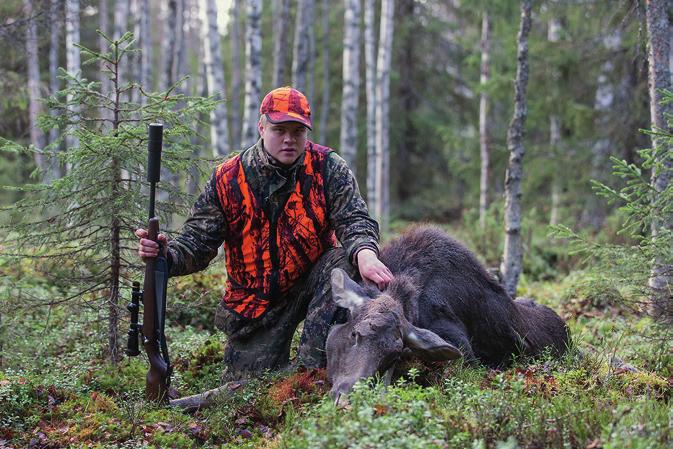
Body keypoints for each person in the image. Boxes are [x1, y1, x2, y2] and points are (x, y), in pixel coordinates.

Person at [136, 86, 393, 381]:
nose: (288, 139)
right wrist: (165, 254)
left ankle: (314, 369)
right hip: (255, 305)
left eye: (297, 131)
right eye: (279, 129)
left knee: (344, 264)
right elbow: (197, 244)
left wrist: (366, 254)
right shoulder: (229, 178)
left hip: (311, 281)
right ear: (261, 126)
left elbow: (354, 218)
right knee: (247, 389)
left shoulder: (327, 168)